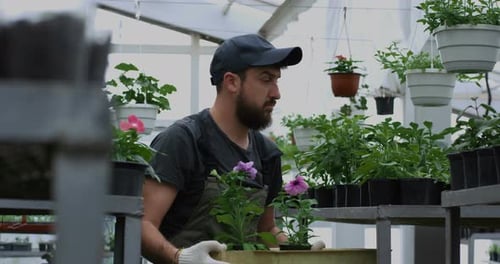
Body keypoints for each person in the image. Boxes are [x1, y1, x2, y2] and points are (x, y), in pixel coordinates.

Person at [141, 34, 322, 264]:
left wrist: (298, 251)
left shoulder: (267, 154)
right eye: (266, 79)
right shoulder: (185, 140)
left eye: (277, 80)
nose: (276, 93)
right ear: (231, 82)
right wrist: (181, 258)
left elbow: (265, 229)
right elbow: (142, 224)